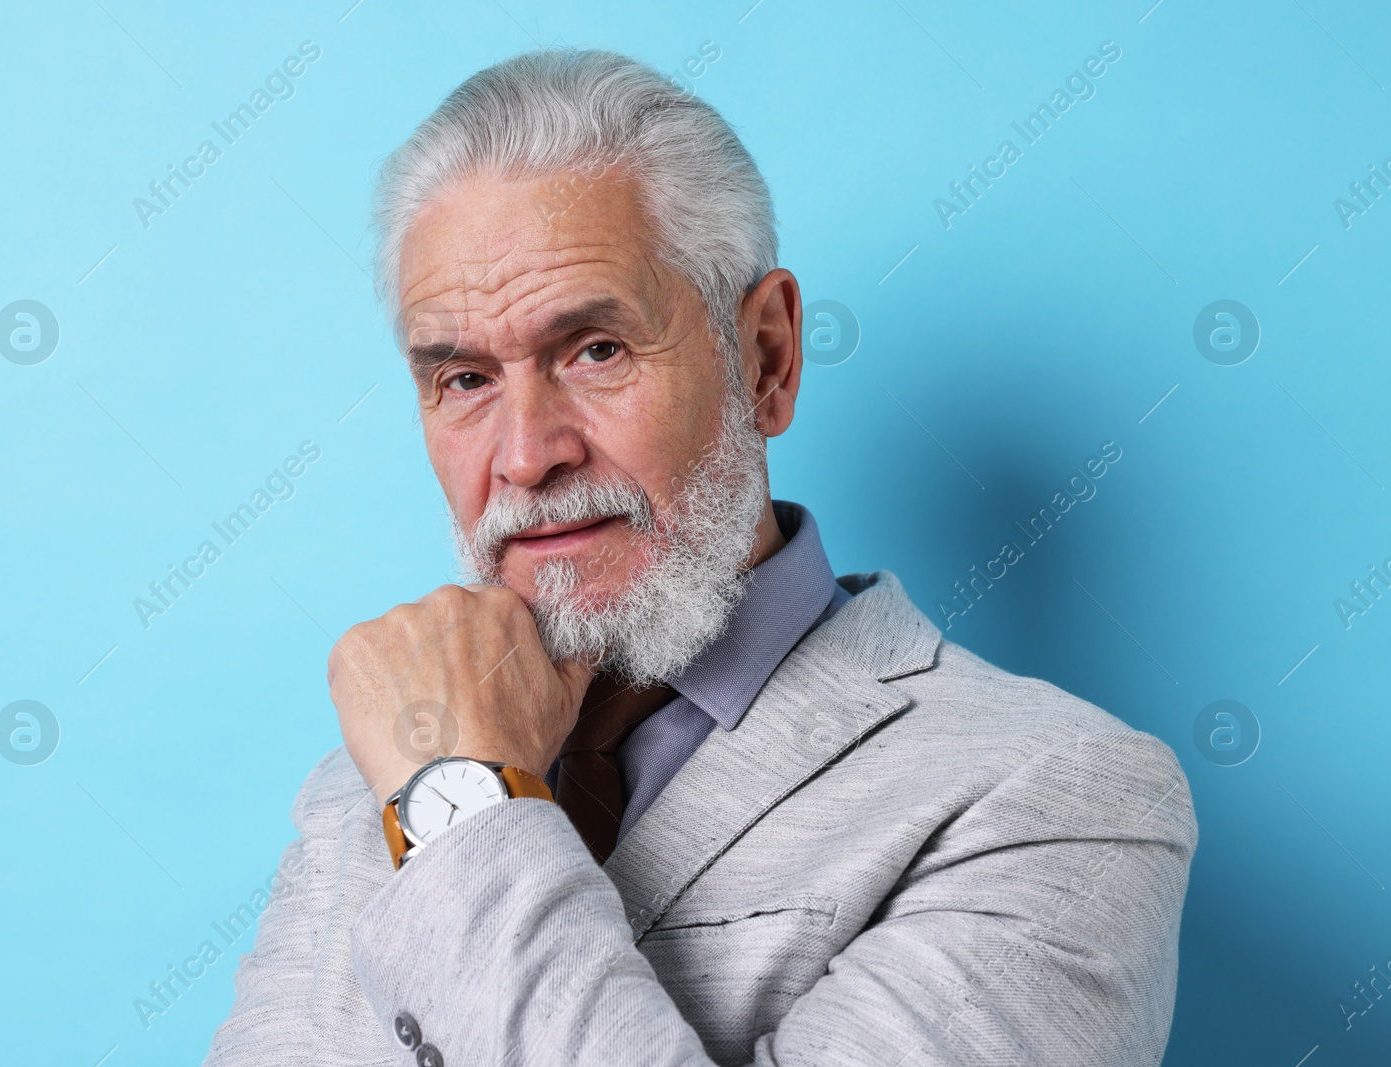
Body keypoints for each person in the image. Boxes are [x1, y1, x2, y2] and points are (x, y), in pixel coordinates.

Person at [204, 47, 1195, 1067]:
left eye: (595, 350)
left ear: (765, 356)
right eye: (463, 378)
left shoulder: (1058, 798)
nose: (524, 455)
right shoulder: (376, 769)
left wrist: (465, 805)